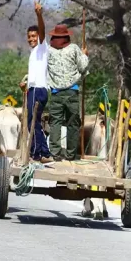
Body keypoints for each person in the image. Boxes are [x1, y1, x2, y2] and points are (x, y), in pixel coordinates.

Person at [46, 24, 89, 161]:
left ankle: (55, 153)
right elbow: (83, 67)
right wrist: (84, 55)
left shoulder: (49, 51)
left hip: (56, 92)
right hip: (72, 92)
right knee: (73, 124)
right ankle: (70, 155)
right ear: (66, 36)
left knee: (55, 123)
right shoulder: (74, 49)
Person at [18, 0, 54, 164]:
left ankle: (40, 153)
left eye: (34, 36)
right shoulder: (34, 53)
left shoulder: (41, 47)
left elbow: (42, 30)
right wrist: (25, 85)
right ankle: (40, 152)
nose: (31, 39)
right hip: (33, 89)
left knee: (33, 121)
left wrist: (39, 14)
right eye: (29, 37)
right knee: (33, 120)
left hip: (39, 90)